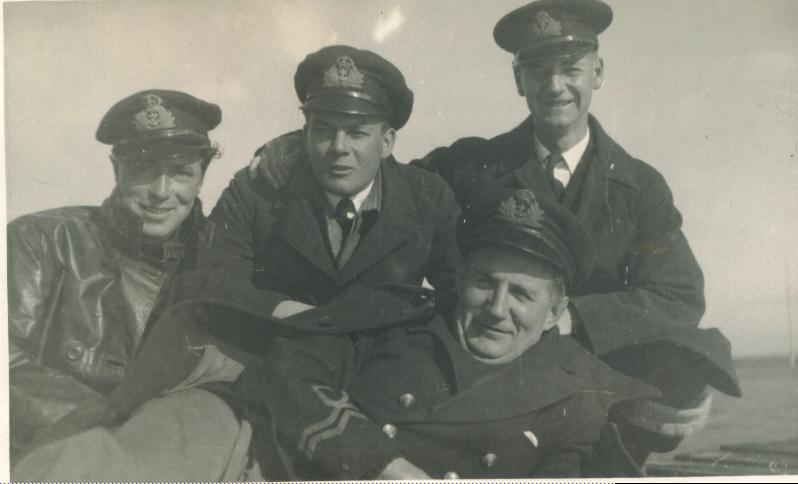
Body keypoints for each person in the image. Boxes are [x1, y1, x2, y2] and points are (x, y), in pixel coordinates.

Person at [251, 0, 741, 467]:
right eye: (537, 70)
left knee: (694, 358)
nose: (555, 86)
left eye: (570, 68)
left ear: (597, 72)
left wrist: (572, 318)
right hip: (497, 386)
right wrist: (299, 146)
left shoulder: (640, 186)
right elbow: (383, 177)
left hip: (588, 385)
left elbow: (678, 295)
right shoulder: (470, 166)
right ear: (517, 79)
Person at [233, 188, 685, 479]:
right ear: (460, 279)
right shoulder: (395, 319)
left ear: (555, 313)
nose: (496, 308)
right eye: (484, 283)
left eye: (522, 295)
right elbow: (288, 370)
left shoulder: (572, 399)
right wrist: (384, 465)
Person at [8, 89, 254, 481]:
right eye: (143, 170)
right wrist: (107, 430)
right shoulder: (43, 241)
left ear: (202, 175)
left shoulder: (224, 267)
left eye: (181, 173)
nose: (161, 192)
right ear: (115, 168)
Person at [206, 44, 461, 321]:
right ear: (305, 134)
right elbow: (211, 283)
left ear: (386, 143)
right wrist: (285, 312)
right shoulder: (255, 190)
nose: (339, 147)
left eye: (357, 133)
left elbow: (459, 294)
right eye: (325, 130)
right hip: (278, 353)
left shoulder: (430, 198)